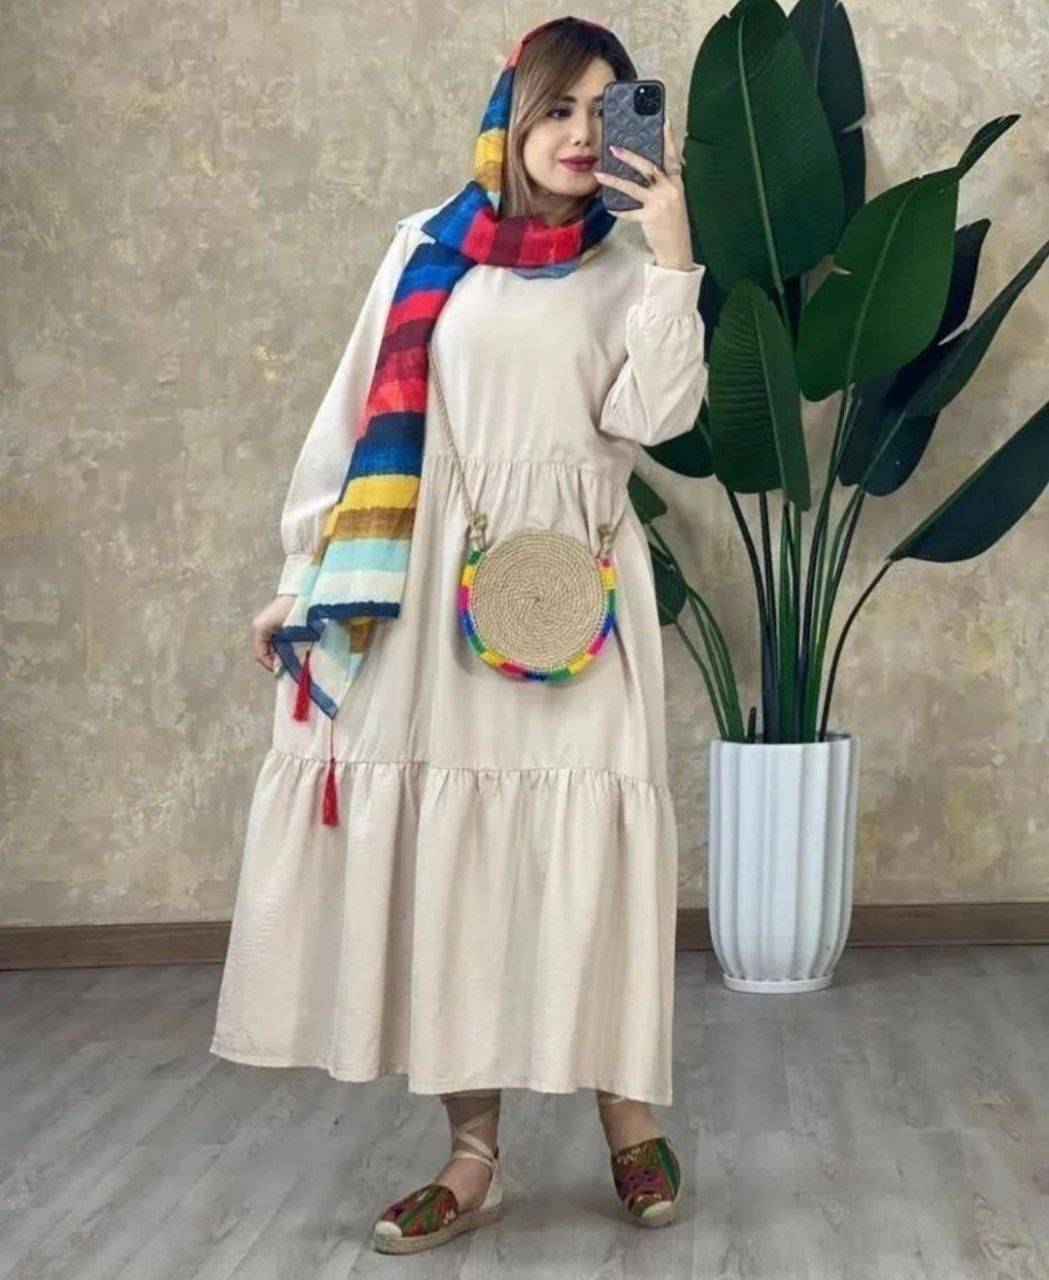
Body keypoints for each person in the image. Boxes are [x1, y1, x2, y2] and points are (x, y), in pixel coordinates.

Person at [209, 14, 707, 1253]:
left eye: (604, 109)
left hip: (574, 584)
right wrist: (304, 572)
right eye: (557, 108)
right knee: (452, 858)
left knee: (586, 842)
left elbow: (656, 416)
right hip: (431, 583)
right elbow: (353, 421)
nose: (581, 135)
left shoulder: (626, 265)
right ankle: (472, 1151)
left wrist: (671, 256)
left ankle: (626, 1114)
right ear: (512, 115)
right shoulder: (425, 250)